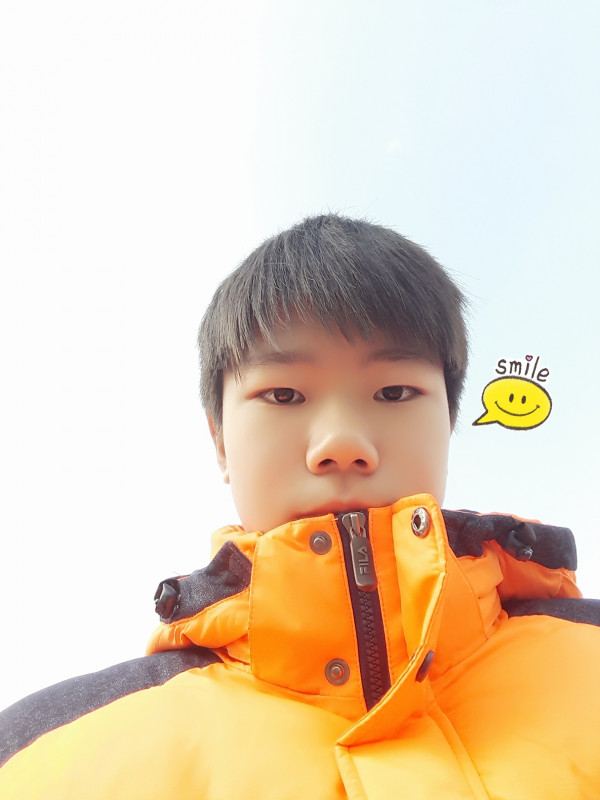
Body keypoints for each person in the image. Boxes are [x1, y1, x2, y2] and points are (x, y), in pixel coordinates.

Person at [1, 214, 599, 798]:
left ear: (448, 422)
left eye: (394, 391)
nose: (341, 443)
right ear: (219, 441)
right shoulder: (37, 761)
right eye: (284, 394)